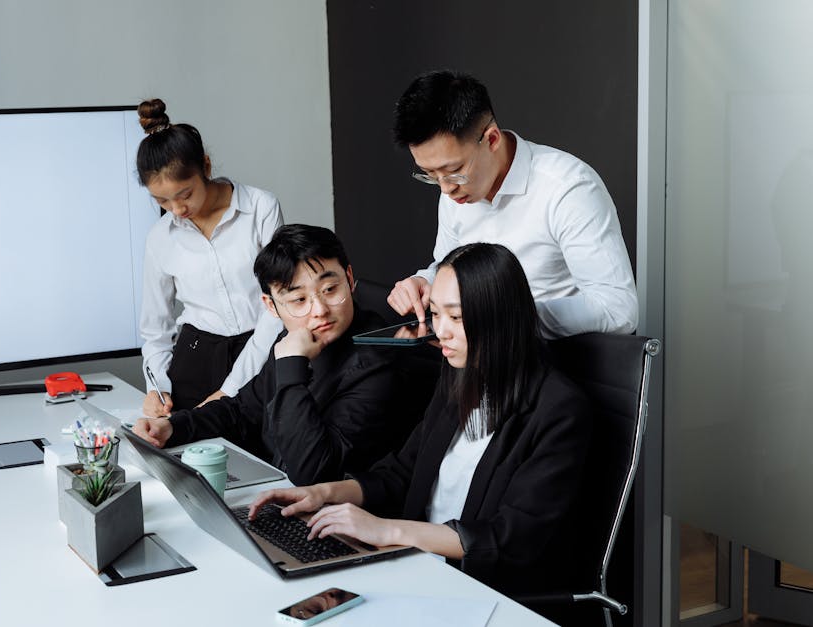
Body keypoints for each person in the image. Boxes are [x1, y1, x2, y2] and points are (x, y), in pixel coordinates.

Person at [249, 243, 593, 616]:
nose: (440, 331)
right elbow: (402, 471)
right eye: (435, 314)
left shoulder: (558, 408)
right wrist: (324, 493)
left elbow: (512, 538)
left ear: (501, 317)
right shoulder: (458, 374)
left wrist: (388, 531)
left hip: (484, 589)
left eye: (457, 318)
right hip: (416, 565)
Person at [133, 224, 417, 485]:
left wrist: (292, 366)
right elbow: (243, 410)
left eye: (330, 289)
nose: (319, 310)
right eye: (299, 300)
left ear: (350, 278)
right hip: (276, 492)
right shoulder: (295, 338)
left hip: (336, 518)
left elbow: (312, 472)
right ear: (271, 306)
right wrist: (172, 427)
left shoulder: (380, 361)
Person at [386, 70, 638, 338]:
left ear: (492, 139)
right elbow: (449, 267)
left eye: (453, 170)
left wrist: (509, 317)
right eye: (431, 174)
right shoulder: (454, 189)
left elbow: (618, 309)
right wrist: (426, 281)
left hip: (556, 363)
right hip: (479, 360)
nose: (445, 188)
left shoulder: (567, 188)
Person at [136, 98, 284, 417]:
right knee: (188, 455)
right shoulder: (160, 238)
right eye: (161, 200)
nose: (176, 210)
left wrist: (230, 389)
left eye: (184, 194)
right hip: (195, 358)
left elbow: (279, 305)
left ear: (205, 166)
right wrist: (157, 387)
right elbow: (155, 328)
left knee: (263, 453)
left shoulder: (260, 208)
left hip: (262, 348)